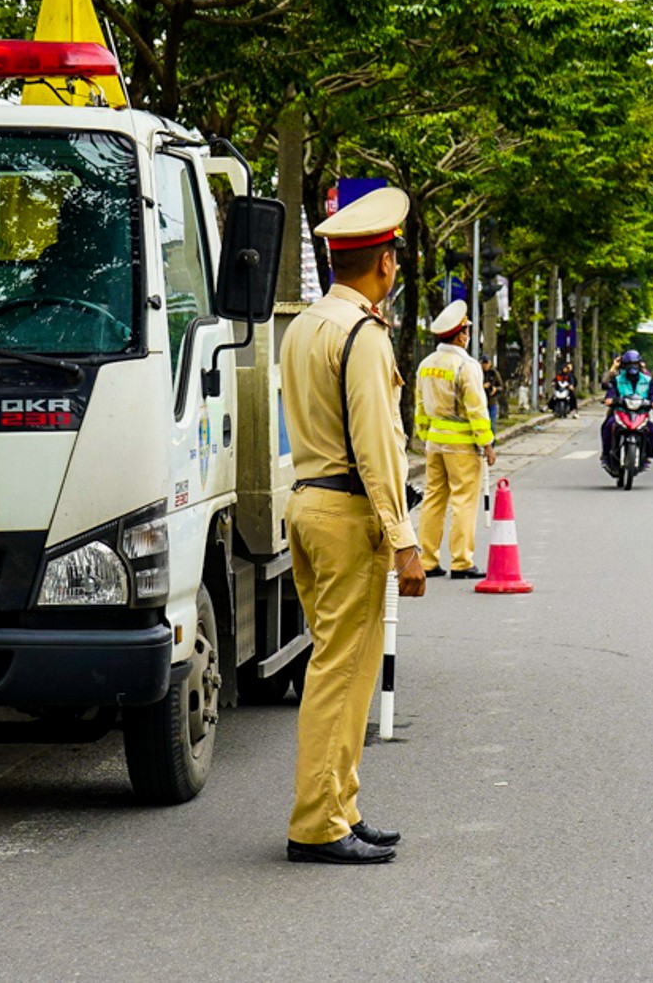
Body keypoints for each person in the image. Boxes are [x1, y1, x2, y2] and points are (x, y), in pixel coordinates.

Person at [277, 187, 424, 866]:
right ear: (384, 263)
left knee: (341, 668)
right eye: (392, 254)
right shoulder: (362, 334)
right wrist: (404, 539)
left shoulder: (305, 327)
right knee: (343, 673)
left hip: (307, 502)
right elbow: (377, 443)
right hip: (347, 515)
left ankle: (341, 806)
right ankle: (318, 823)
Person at [415, 300, 496, 580]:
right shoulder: (466, 366)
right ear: (461, 334)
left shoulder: (426, 365)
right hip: (462, 445)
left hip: (434, 444)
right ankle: (462, 561)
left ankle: (427, 560)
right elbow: (476, 408)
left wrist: (425, 435)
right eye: (467, 331)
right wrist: (486, 443)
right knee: (463, 501)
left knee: (434, 499)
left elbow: (420, 406)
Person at [601, 349, 653, 474]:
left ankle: (647, 457)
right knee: (607, 427)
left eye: (634, 363)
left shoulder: (647, 379)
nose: (632, 367)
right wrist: (611, 399)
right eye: (628, 364)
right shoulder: (617, 379)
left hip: (640, 413)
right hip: (620, 412)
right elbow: (608, 389)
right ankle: (606, 457)